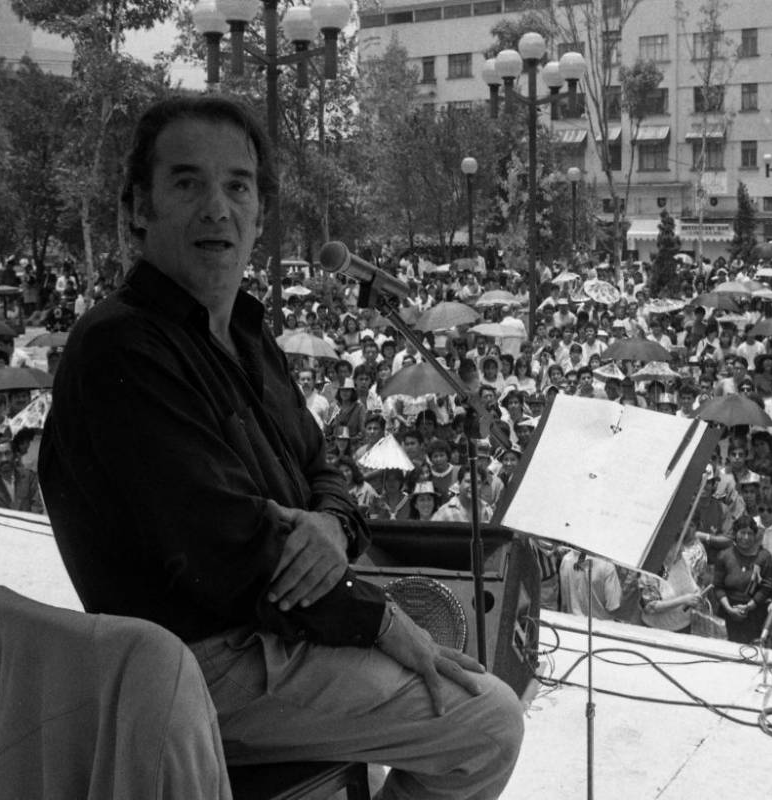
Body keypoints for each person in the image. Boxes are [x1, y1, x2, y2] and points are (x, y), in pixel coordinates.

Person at [38, 96, 523, 798]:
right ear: (137, 210)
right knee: (487, 724)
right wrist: (378, 620)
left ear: (260, 212)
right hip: (192, 665)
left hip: (269, 631)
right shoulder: (123, 347)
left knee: (462, 692)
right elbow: (230, 545)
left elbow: (322, 467)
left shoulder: (244, 332)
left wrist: (329, 524)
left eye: (237, 186)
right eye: (187, 183)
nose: (216, 207)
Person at [712, 515, 772, 644]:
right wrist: (729, 609)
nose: (746, 537)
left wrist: (748, 607)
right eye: (742, 533)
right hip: (727, 613)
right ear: (735, 534)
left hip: (754, 616)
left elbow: (767, 587)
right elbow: (718, 586)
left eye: (750, 533)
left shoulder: (764, 557)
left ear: (755, 535)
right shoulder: (724, 555)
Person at [0, 435, 44, 513]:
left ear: (14, 454)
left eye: (7, 453)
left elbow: (37, 507)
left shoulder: (29, 477)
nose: (4, 459)